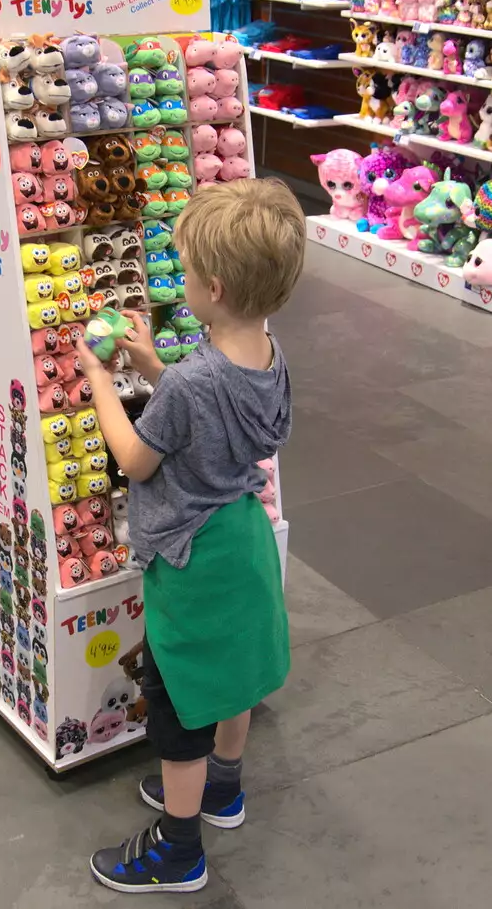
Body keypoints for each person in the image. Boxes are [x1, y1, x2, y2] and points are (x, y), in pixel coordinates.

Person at [76, 178, 304, 895]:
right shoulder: (268, 353)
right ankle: (224, 789)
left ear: (211, 288)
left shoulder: (192, 382)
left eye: (183, 272)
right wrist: (152, 365)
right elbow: (212, 404)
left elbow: (139, 457)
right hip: (244, 538)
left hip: (191, 554)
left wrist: (104, 385)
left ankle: (178, 851)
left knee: (176, 703)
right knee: (232, 674)